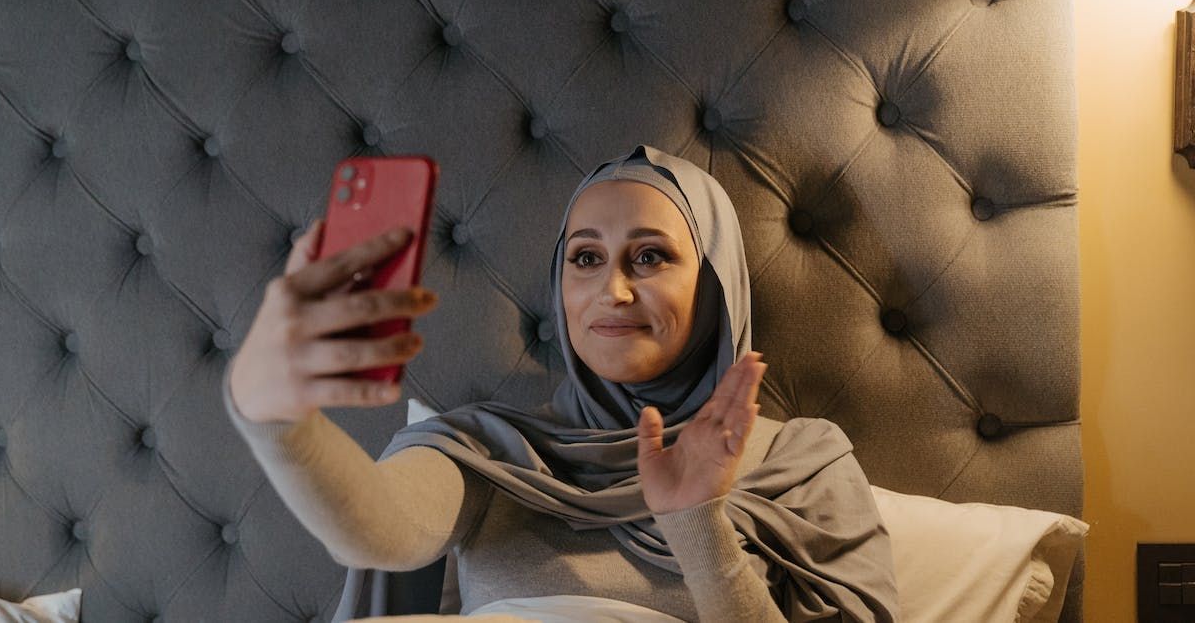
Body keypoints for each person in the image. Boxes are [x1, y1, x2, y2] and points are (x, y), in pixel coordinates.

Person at [223, 144, 900, 622]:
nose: (612, 289)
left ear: (717, 286)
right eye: (585, 258)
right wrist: (274, 418)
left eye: (650, 255)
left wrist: (698, 525)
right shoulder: (490, 449)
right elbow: (377, 530)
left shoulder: (805, 463)